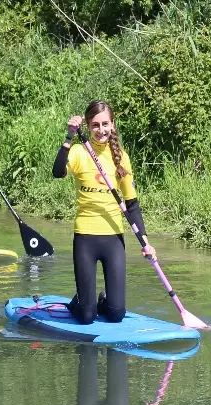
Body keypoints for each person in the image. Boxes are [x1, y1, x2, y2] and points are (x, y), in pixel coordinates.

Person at [52, 100, 157, 325]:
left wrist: (146, 242)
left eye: (105, 124)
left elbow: (132, 204)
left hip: (113, 239)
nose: (101, 130)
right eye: (96, 125)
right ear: (88, 127)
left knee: (117, 314)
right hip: (85, 238)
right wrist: (69, 138)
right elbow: (57, 172)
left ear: (113, 125)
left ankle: (99, 300)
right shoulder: (80, 152)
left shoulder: (121, 157)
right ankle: (80, 303)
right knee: (87, 317)